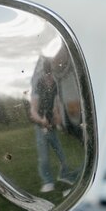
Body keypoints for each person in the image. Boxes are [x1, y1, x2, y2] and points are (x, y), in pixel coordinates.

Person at [29, 51, 77, 192]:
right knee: (44, 157)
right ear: (44, 73)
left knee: (61, 154)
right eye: (48, 74)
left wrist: (58, 116)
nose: (50, 77)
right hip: (40, 126)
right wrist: (41, 120)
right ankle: (47, 181)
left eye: (51, 74)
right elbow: (33, 110)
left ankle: (65, 175)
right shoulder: (39, 85)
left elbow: (56, 103)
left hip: (51, 125)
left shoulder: (55, 84)